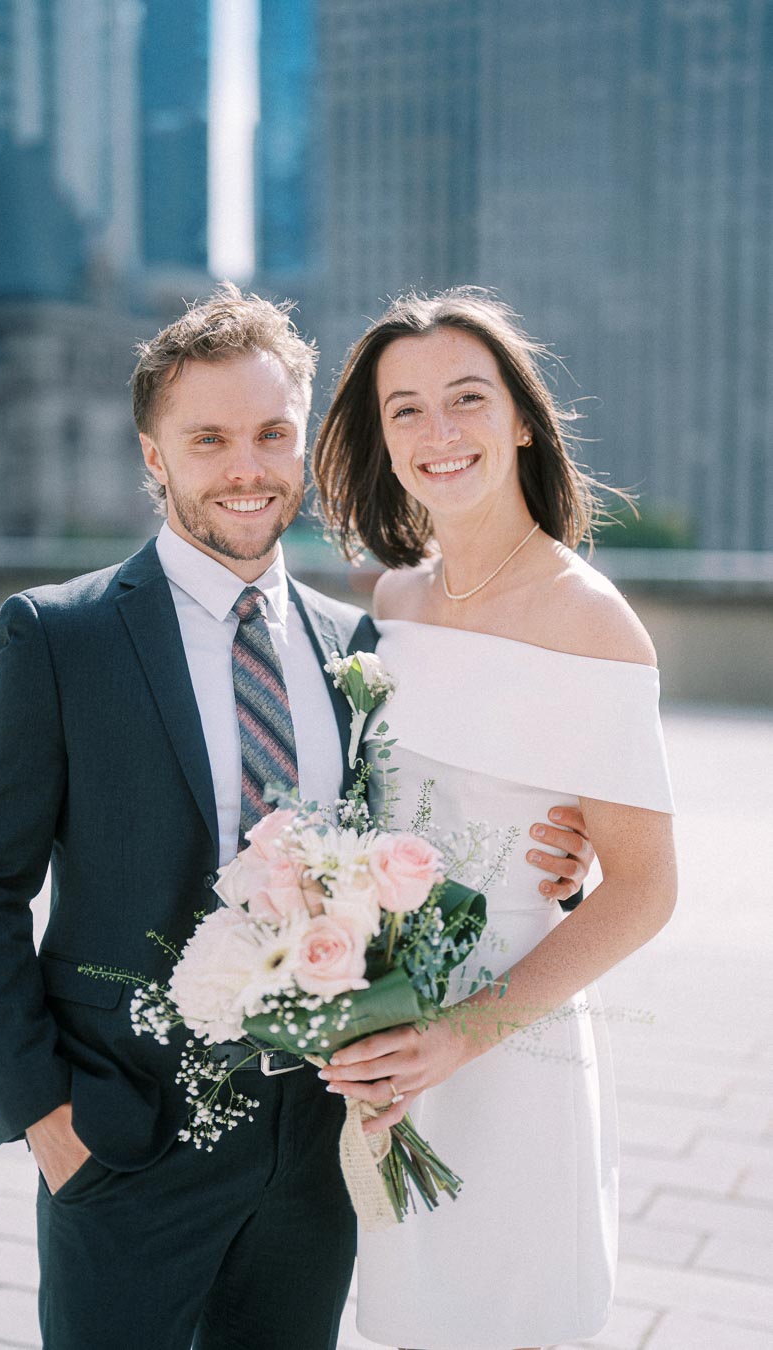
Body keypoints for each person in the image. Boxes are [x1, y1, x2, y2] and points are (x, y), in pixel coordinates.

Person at [0, 285, 597, 1350]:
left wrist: (551, 866)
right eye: (208, 438)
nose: (246, 467)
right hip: (124, 1142)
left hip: (318, 1151)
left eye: (271, 434)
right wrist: (47, 1118)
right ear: (155, 455)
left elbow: (437, 826)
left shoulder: (368, 646)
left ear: (302, 444)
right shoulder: (62, 640)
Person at [313, 287, 677, 1350]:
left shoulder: (588, 620)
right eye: (406, 410)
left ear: (521, 418)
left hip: (513, 1040)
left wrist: (455, 1040)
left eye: (467, 399)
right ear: (382, 440)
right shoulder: (389, 602)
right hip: (387, 1029)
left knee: (510, 1309)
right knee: (411, 1313)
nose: (440, 434)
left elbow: (647, 891)